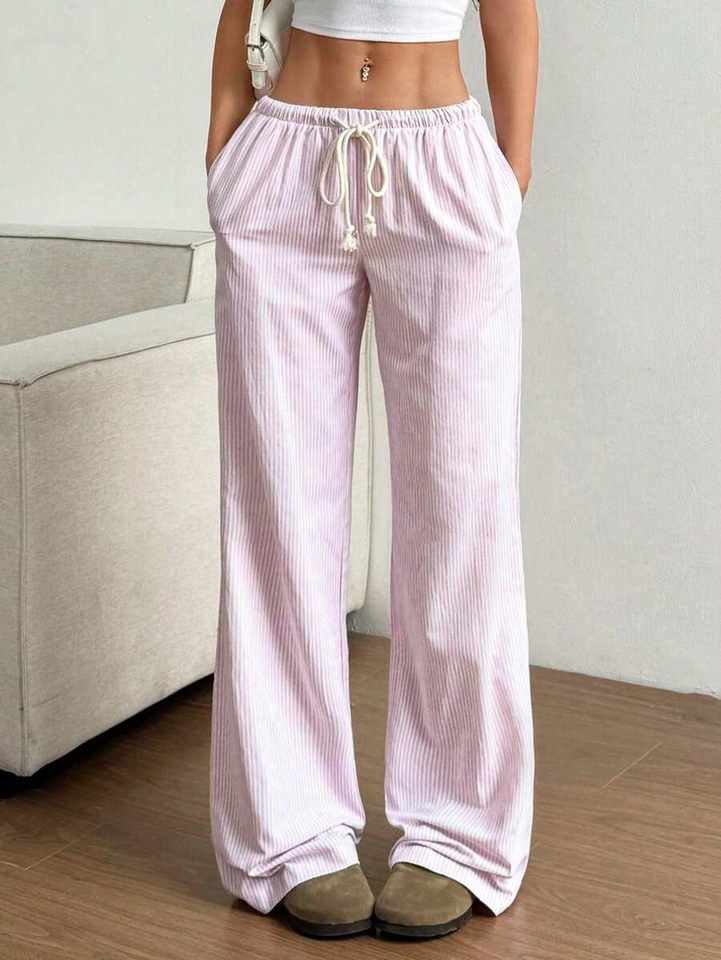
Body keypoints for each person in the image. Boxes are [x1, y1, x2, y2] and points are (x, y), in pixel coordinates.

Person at [205, 0, 539, 941]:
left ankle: (457, 833)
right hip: (285, 164)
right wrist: (226, 150)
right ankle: (290, 831)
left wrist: (507, 179)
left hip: (441, 166)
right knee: (278, 511)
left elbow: (511, 12)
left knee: (462, 511)